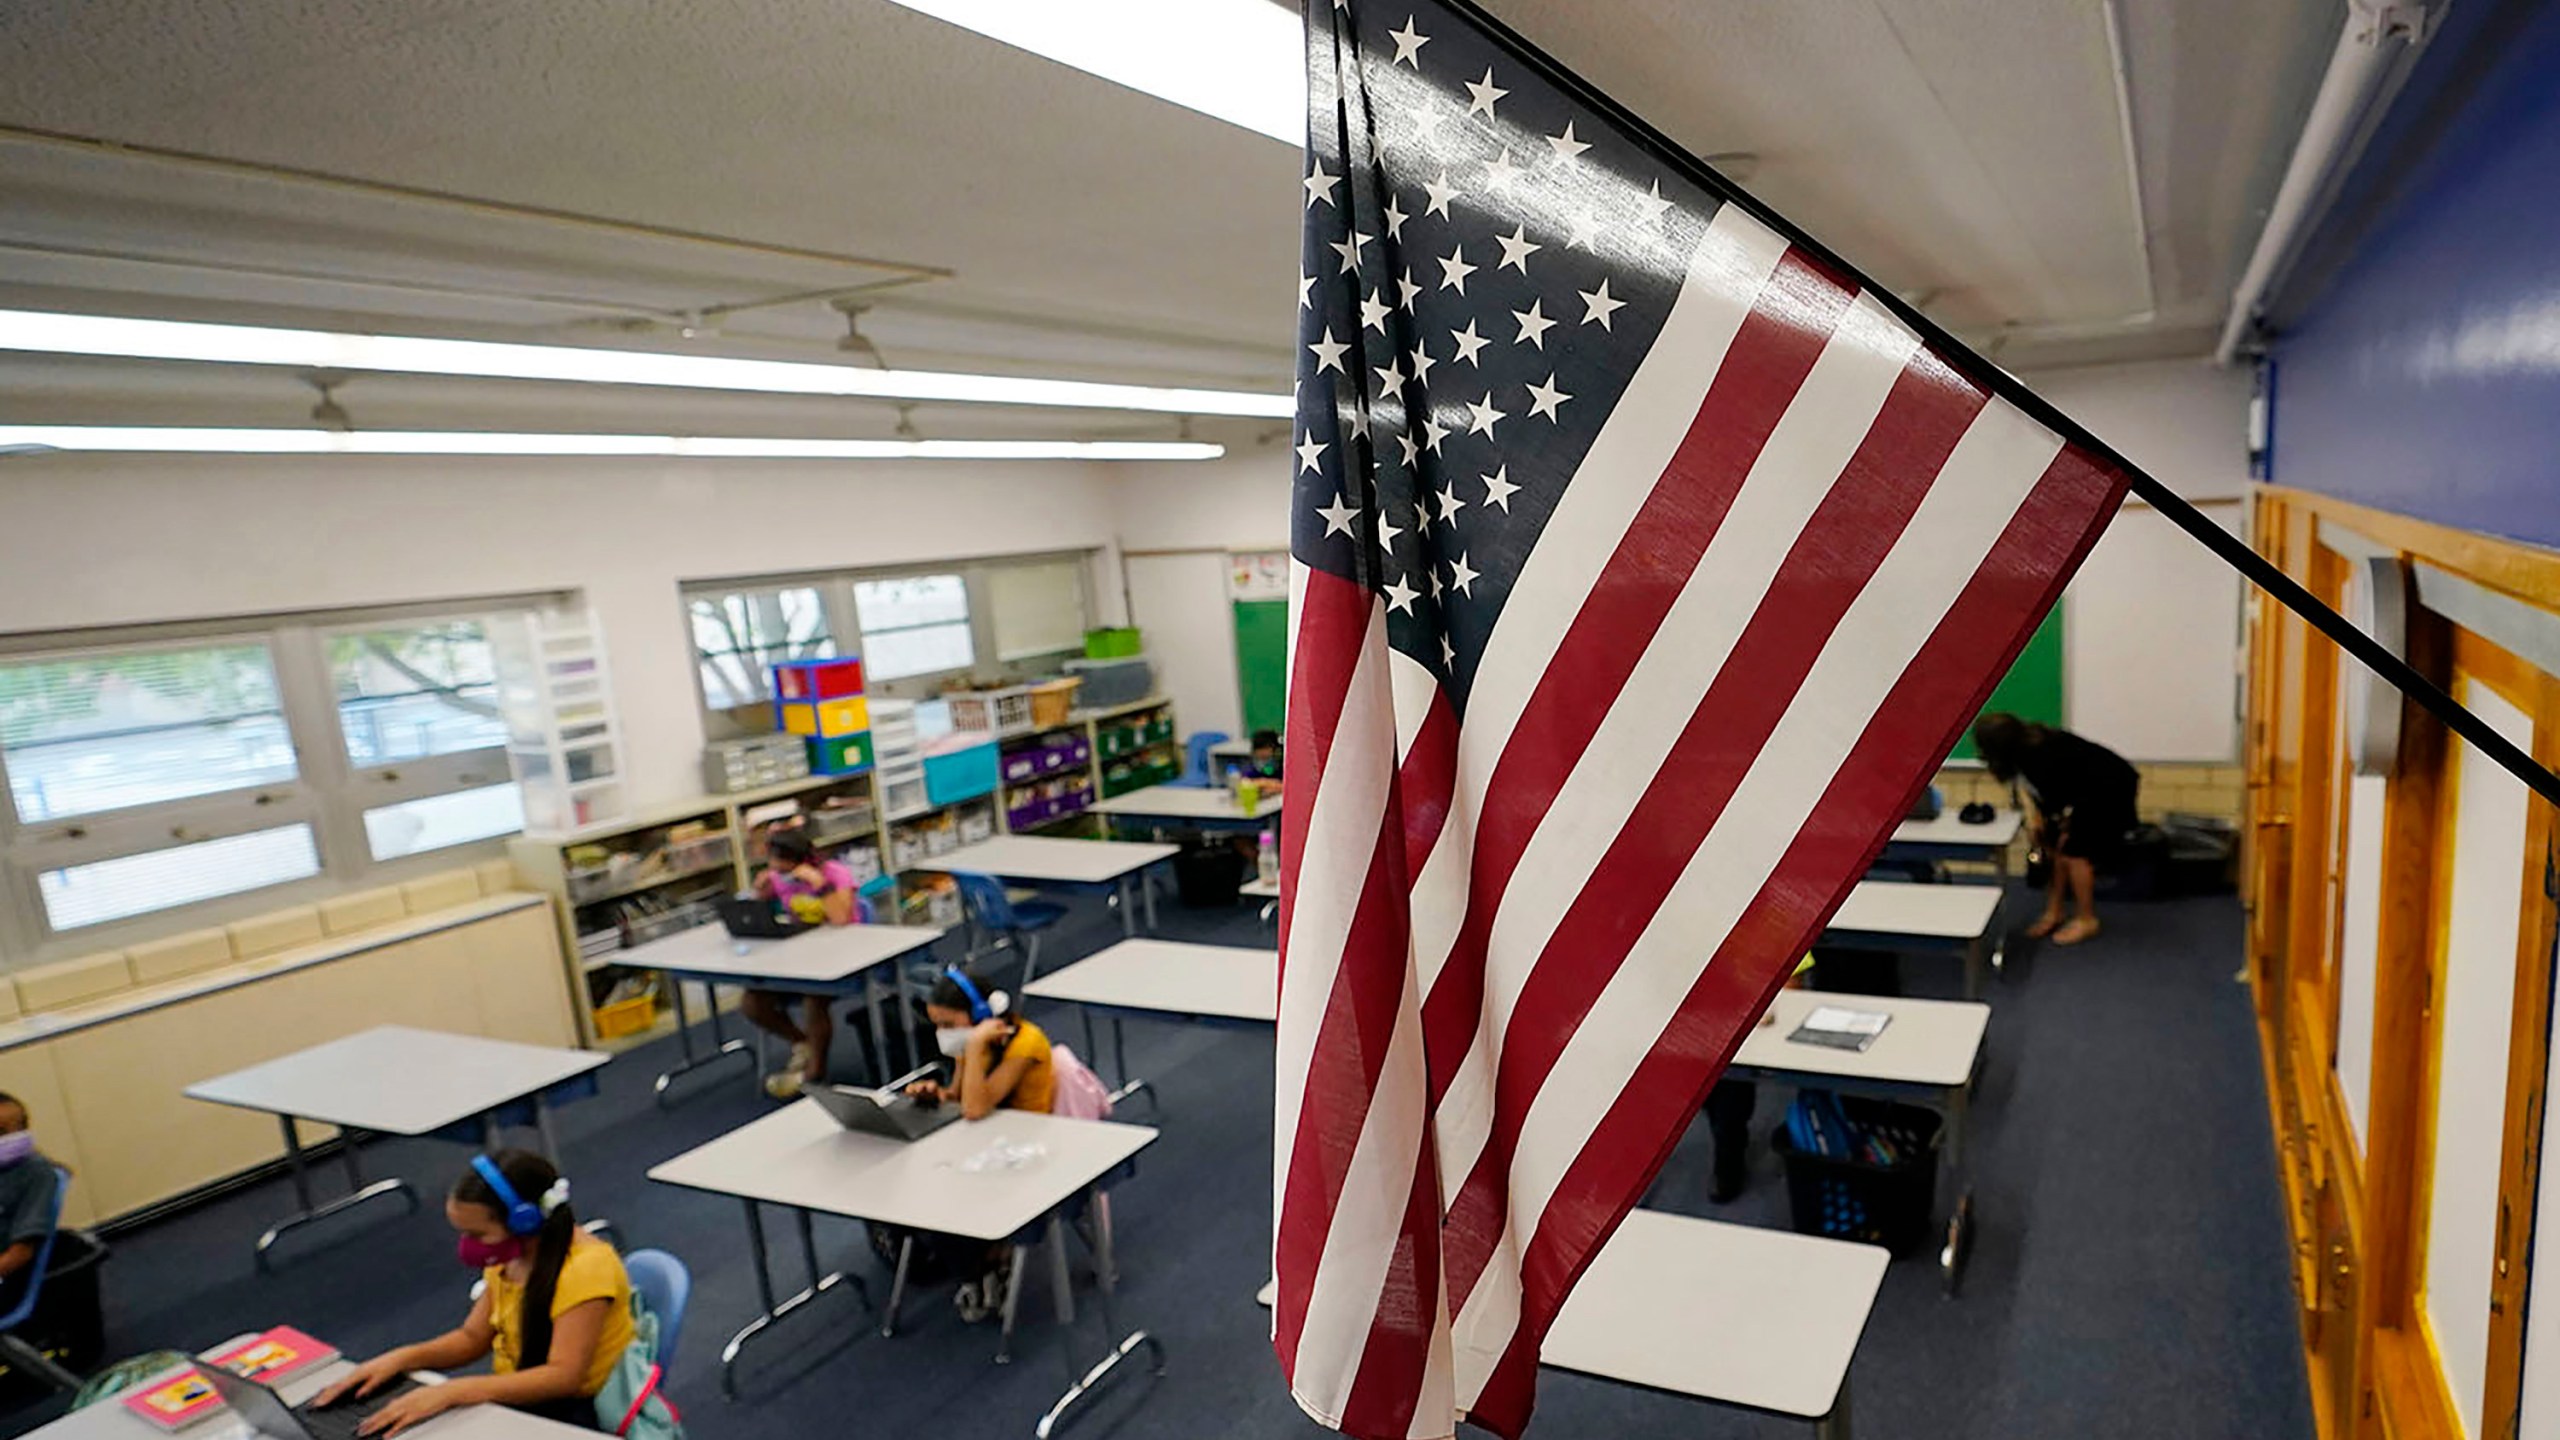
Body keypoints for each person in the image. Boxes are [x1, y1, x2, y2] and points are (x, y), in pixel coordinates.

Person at [320, 1151, 633, 1435]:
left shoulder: (586, 1270)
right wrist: (403, 1359)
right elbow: (472, 1337)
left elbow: (563, 1376)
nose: (468, 1245)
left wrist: (452, 1392)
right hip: (523, 1395)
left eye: (476, 1234)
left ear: (524, 1222)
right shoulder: (512, 1256)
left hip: (578, 1413)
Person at [887, 966, 1057, 1321]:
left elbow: (977, 1107)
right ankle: (975, 1264)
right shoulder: (970, 1045)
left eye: (948, 1024)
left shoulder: (1026, 1043)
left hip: (1026, 1151)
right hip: (984, 1142)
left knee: (947, 1198)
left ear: (981, 1015)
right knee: (907, 1183)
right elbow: (961, 1099)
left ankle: (985, 1267)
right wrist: (935, 1094)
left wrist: (977, 1045)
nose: (942, 1034)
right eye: (937, 1025)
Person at [1971, 713, 2141, 946]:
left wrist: (2062, 827)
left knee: (2075, 854)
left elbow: (2063, 795)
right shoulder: (2022, 753)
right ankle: (2054, 912)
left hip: (2109, 790)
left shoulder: (2040, 755)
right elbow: (2040, 793)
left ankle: (2087, 919)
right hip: (2078, 792)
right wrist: (2039, 822)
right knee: (2051, 847)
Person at [742, 825, 859, 1099]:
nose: (777, 870)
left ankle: (814, 1072)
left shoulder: (835, 874)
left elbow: (842, 918)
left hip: (842, 956)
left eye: (783, 864)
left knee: (813, 996)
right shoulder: (779, 878)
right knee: (753, 1002)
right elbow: (760, 917)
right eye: (773, 863)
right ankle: (802, 1042)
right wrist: (760, 894)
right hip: (798, 956)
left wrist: (819, 884)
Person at [0, 1094, 61, 1309]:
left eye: (21, 1126)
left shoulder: (36, 1173)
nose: (14, 1138)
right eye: (1, 1132)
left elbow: (19, 1254)